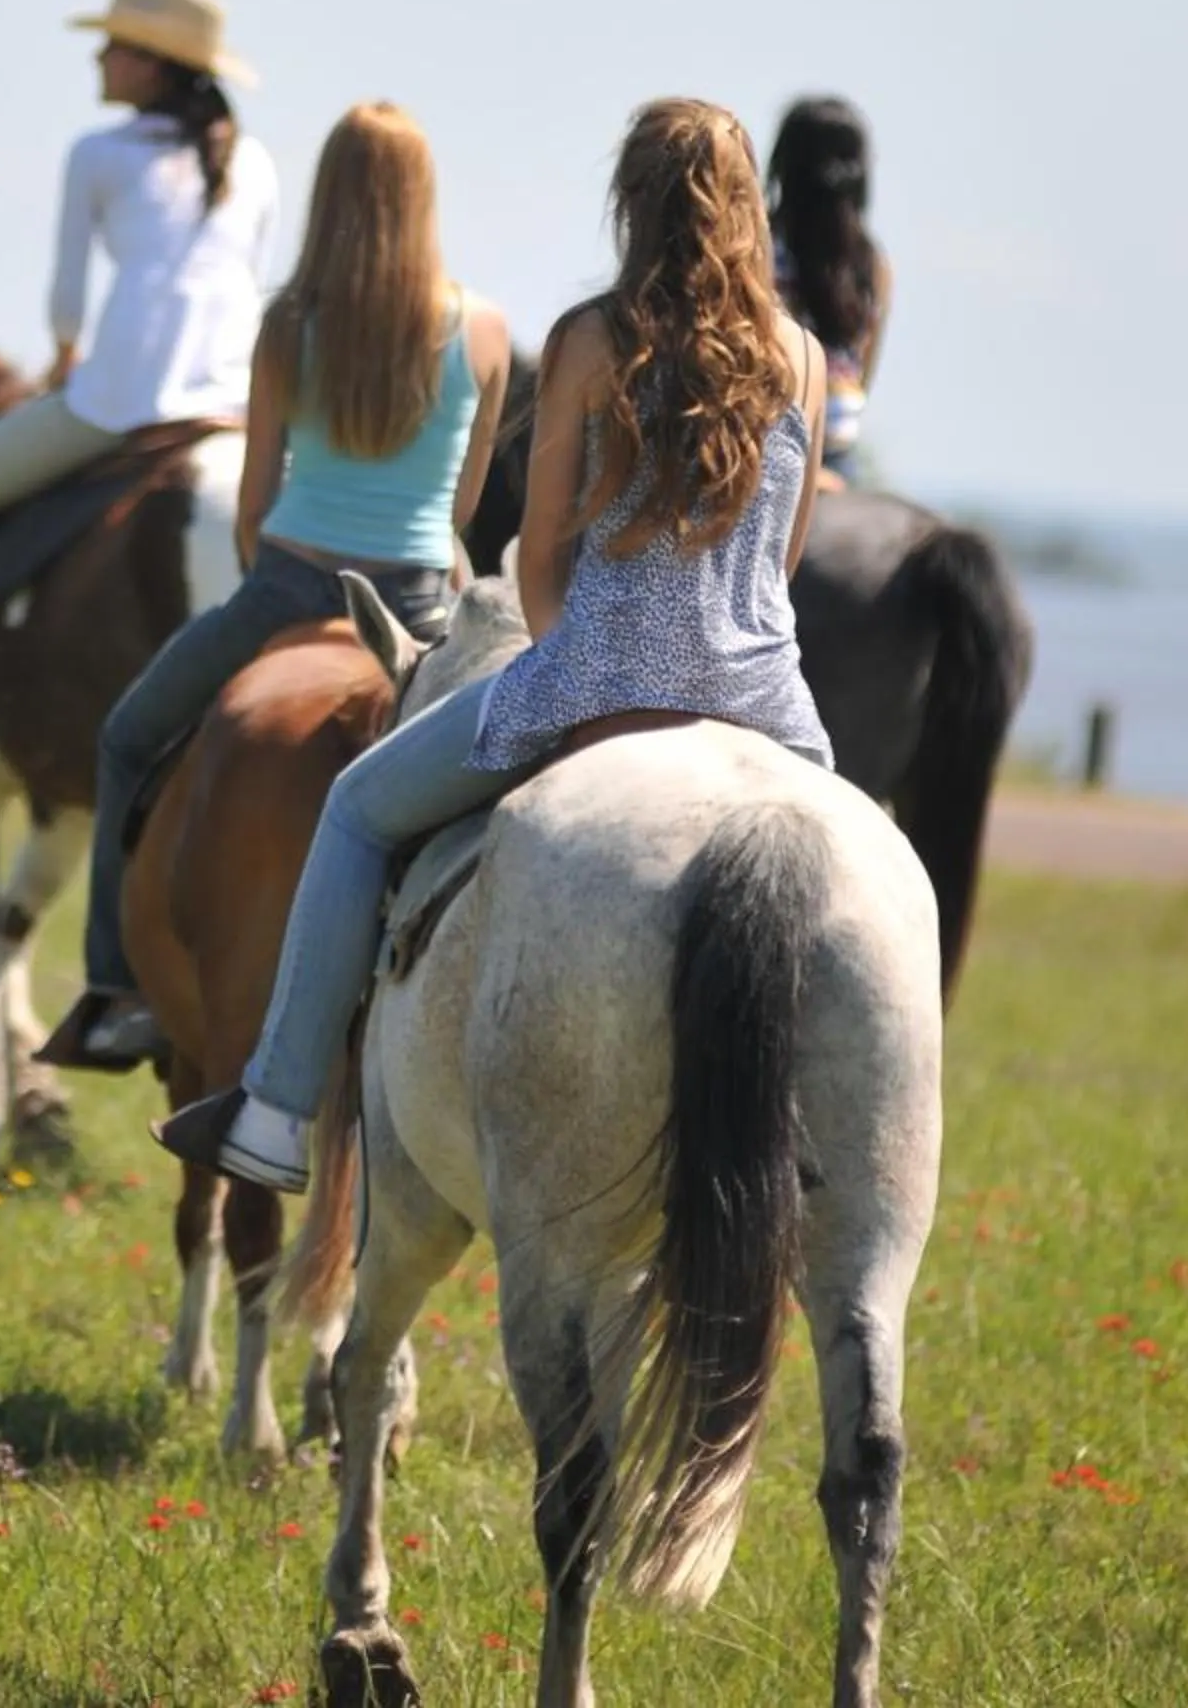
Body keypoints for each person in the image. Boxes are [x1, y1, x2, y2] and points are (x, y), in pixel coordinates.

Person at [157, 96, 830, 1195]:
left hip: (597, 675)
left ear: (634, 205)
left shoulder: (590, 339)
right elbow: (782, 565)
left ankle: (275, 1112)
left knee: (357, 808)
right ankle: (805, 1122)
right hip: (772, 708)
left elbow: (539, 552)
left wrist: (579, 658)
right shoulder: (802, 359)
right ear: (751, 209)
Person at [40, 103, 512, 1071]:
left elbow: (254, 502)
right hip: (421, 607)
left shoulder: (288, 325)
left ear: (329, 194)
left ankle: (116, 993)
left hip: (287, 587)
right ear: (426, 199)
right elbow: (463, 504)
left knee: (129, 738)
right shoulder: (489, 330)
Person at [0, 0, 277, 778]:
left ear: (151, 65)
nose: (98, 58)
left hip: (126, 401)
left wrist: (64, 358)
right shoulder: (253, 160)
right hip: (237, 402)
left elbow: (68, 299)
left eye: (112, 45)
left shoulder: (97, 153)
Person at [765, 96, 892, 488]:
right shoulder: (873, 268)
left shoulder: (761, 248)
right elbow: (863, 378)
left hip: (767, 447)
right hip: (839, 452)